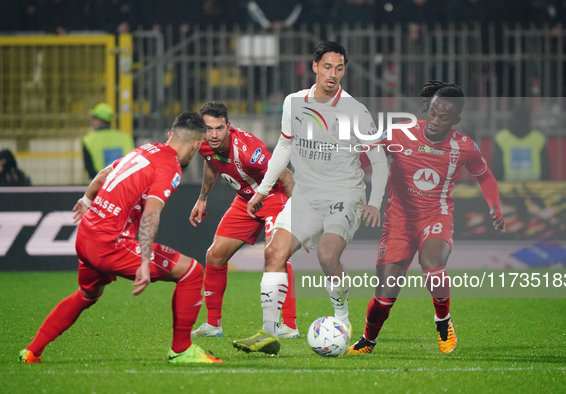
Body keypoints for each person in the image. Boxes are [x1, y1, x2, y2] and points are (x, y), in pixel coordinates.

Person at [19, 112, 223, 364]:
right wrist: (145, 263)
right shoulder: (170, 167)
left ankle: (32, 351)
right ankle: (181, 350)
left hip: (86, 235)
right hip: (110, 244)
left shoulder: (145, 149)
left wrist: (86, 200)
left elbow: (105, 173)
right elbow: (151, 214)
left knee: (87, 293)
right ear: (195, 144)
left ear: (170, 135)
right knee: (191, 272)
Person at [233, 41, 389, 355]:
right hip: (305, 195)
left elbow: (380, 159)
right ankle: (268, 333)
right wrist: (263, 189)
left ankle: (342, 318)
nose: (333, 74)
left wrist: (374, 201)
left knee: (327, 256)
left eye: (340, 68)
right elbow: (285, 147)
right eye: (328, 67)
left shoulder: (355, 110)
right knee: (273, 254)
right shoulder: (293, 103)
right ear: (314, 66)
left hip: (344, 195)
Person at [348, 80, 506, 355]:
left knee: (432, 264)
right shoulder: (398, 134)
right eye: (432, 113)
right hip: (398, 221)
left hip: (436, 216)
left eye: (443, 117)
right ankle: (368, 340)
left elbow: (485, 176)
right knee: (386, 293)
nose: (434, 121)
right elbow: (363, 161)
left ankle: (443, 322)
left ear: (455, 120)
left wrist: (495, 207)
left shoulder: (464, 146)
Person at [189, 102, 299, 339]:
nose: (214, 134)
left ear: (228, 126)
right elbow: (211, 165)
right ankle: (212, 325)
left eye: (219, 128)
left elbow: (285, 174)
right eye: (209, 129)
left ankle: (289, 326)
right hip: (244, 201)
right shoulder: (204, 144)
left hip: (273, 196)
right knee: (214, 255)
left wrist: (296, 213)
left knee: (276, 256)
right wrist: (202, 198)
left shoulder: (248, 150)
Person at [491, 103, 551, 181]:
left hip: (508, 187)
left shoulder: (501, 138)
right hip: (534, 188)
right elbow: (545, 168)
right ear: (529, 119)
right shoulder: (538, 139)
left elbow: (497, 168)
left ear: (512, 118)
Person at [82, 102, 135, 180]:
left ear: (99, 121)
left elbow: (89, 168)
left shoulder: (88, 140)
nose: (92, 121)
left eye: (94, 118)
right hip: (124, 184)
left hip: (99, 187)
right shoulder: (126, 138)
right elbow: (133, 163)